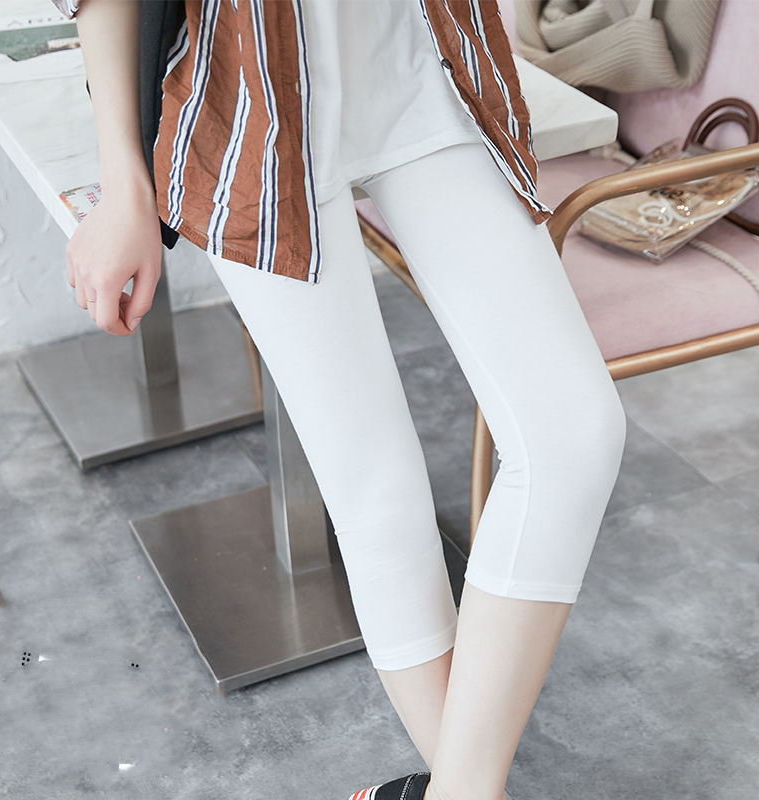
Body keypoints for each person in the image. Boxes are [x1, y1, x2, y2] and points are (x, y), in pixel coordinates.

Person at [54, 1, 627, 799]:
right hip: (249, 102)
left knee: (574, 435)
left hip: (433, 59)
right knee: (376, 493)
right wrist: (123, 183)